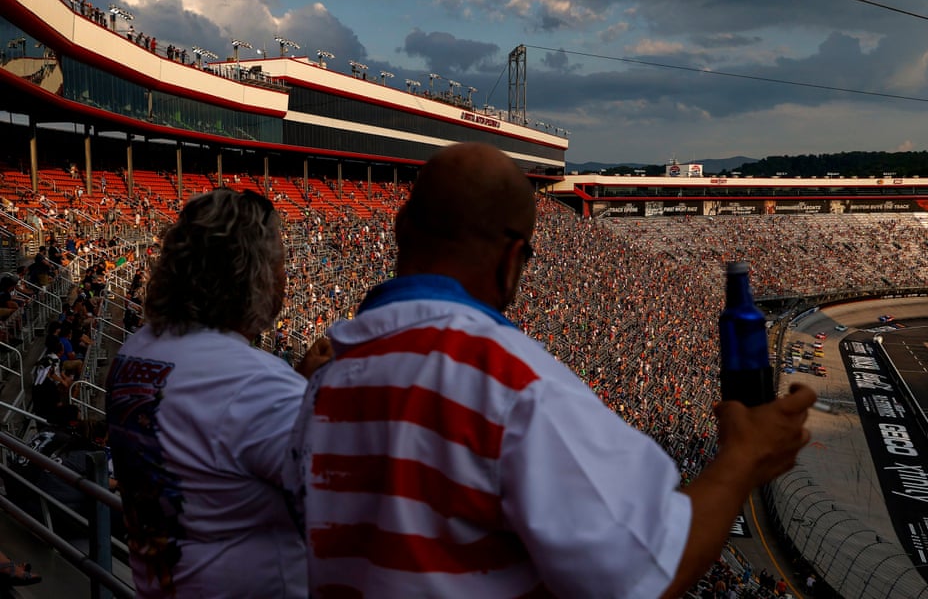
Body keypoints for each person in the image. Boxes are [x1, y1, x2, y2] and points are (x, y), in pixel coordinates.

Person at [287, 143, 816, 598]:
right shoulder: (512, 384)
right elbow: (643, 572)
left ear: (401, 229)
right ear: (513, 258)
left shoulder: (324, 382)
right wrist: (743, 458)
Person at [106, 188, 311, 598]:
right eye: (280, 262)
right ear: (253, 273)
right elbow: (345, 514)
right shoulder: (259, 386)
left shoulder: (137, 348)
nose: (286, 277)